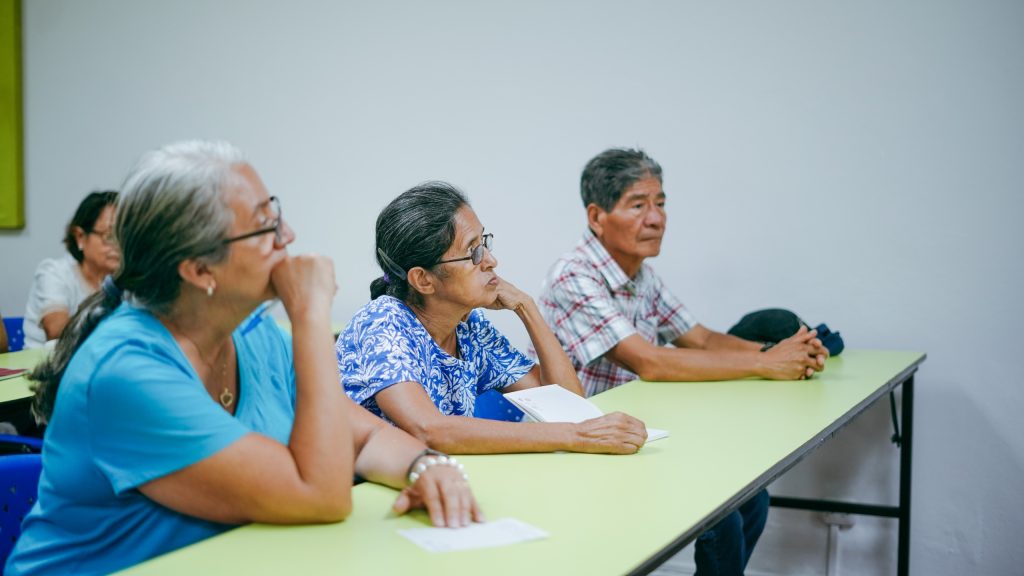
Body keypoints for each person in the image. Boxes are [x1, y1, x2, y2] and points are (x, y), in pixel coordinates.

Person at [6, 142, 481, 576]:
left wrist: (426, 467)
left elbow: (364, 437)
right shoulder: (125, 371)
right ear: (199, 270)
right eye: (265, 225)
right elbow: (321, 495)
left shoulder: (252, 332)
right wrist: (309, 313)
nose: (287, 235)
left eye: (277, 212)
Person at [537, 148, 830, 576]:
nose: (656, 218)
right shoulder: (574, 274)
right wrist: (768, 364)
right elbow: (649, 362)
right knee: (722, 513)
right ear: (597, 217)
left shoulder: (642, 276)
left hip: (638, 427)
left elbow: (702, 338)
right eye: (638, 205)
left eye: (660, 203)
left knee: (752, 498)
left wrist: (788, 352)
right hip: (584, 440)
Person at [336, 181, 647, 455]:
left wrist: (527, 308)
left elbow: (567, 407)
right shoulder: (382, 324)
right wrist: (576, 436)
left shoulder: (469, 328)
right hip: (361, 491)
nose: (491, 260)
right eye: (473, 252)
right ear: (423, 280)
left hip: (437, 481)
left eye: (484, 243)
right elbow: (429, 430)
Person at [22, 190, 121, 348]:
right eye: (109, 236)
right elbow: (56, 331)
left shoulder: (124, 278)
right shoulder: (54, 273)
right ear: (80, 236)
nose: (118, 246)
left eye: (123, 236)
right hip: (47, 362)